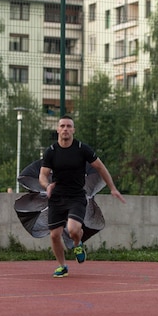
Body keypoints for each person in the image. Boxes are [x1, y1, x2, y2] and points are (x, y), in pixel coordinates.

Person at [39, 114, 126, 278]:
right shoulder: (51, 152)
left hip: (76, 196)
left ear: (73, 130)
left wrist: (113, 188)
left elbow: (101, 168)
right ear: (57, 129)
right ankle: (62, 266)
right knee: (54, 235)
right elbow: (42, 175)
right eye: (62, 126)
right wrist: (47, 185)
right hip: (57, 197)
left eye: (69, 126)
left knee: (73, 230)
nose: (65, 129)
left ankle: (78, 244)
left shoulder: (82, 149)